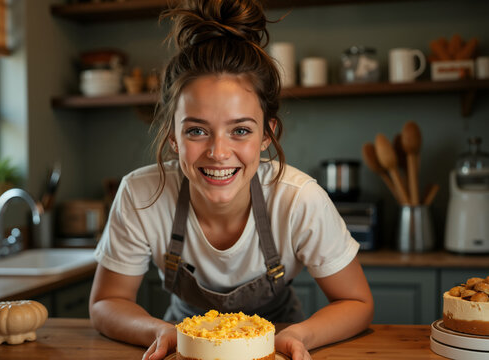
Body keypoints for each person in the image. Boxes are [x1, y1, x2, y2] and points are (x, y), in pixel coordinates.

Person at [89, 0, 374, 359]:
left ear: (267, 134)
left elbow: (357, 301)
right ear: (173, 136)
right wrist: (161, 332)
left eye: (240, 130)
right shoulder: (140, 195)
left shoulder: (300, 199)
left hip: (279, 344)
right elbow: (106, 302)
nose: (219, 152)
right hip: (181, 344)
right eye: (196, 131)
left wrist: (298, 336)